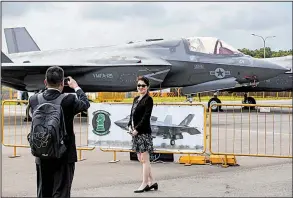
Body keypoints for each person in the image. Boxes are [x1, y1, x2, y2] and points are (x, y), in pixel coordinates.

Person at [28, 66, 90, 198]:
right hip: (64, 154)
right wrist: (76, 87)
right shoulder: (69, 100)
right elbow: (85, 103)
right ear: (62, 83)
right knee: (61, 192)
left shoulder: (34, 100)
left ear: (45, 82)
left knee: (44, 192)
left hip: (41, 151)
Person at [128, 76, 158, 193]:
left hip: (143, 133)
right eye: (139, 85)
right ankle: (153, 181)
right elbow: (132, 115)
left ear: (147, 87)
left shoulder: (148, 100)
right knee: (142, 159)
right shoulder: (136, 99)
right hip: (135, 132)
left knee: (145, 160)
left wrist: (137, 129)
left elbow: (146, 117)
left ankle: (145, 183)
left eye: (143, 86)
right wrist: (130, 126)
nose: (141, 87)